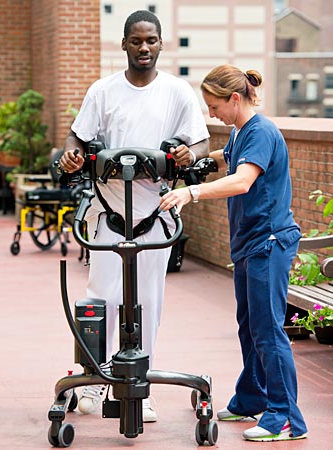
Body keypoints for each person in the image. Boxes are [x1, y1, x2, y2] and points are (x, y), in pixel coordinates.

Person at [59, 10, 209, 422]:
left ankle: (141, 386)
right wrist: (73, 154)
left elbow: (200, 143)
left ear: (161, 44)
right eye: (137, 41)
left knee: (147, 302)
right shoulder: (103, 91)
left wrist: (186, 154)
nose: (144, 48)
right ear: (123, 44)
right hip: (109, 213)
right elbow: (78, 136)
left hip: (153, 215)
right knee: (101, 298)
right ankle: (92, 380)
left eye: (152, 41)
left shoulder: (177, 92)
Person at [160, 64, 308, 442]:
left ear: (235, 98)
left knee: (268, 329)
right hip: (249, 243)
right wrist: (193, 158)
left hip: (269, 243)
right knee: (249, 327)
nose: (211, 113)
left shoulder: (262, 131)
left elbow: (242, 181)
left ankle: (286, 417)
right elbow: (228, 155)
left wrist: (190, 192)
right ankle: (252, 396)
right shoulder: (241, 130)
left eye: (214, 106)